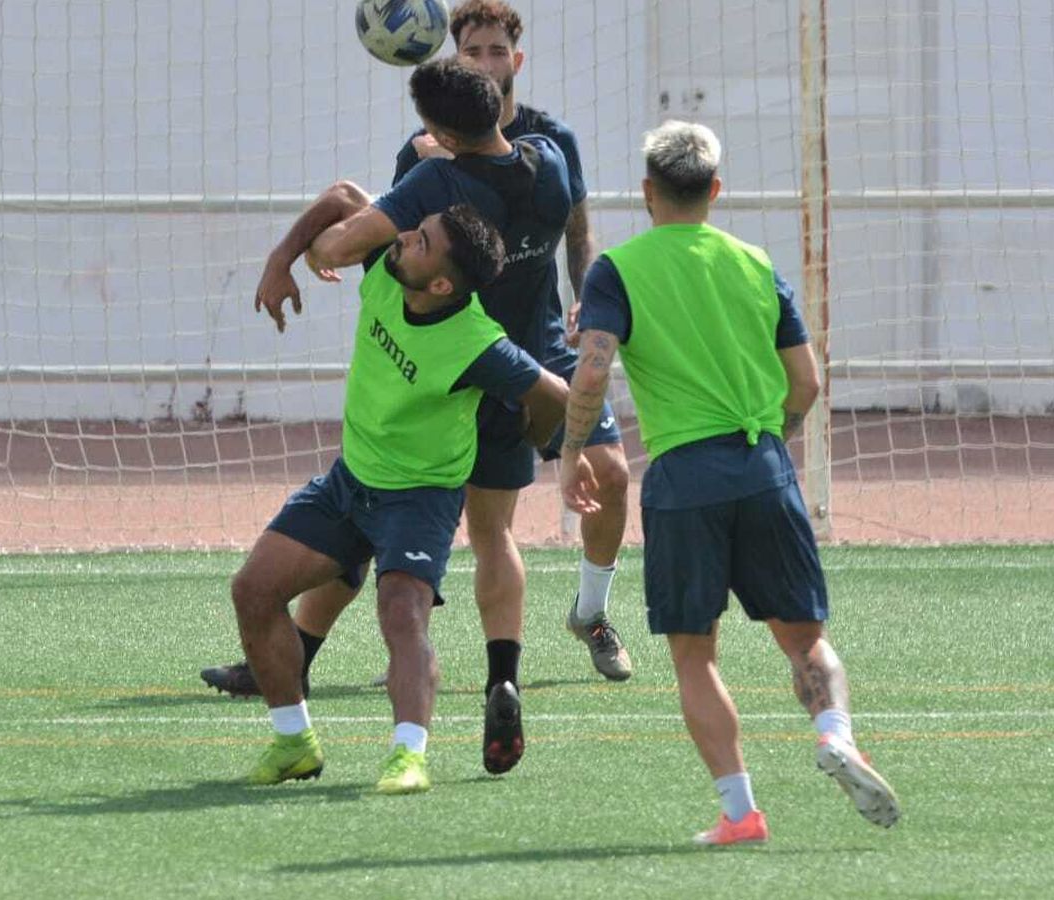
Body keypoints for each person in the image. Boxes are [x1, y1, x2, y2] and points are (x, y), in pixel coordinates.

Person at [203, 2, 633, 706]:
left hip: (527, 348)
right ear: (463, 61)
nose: (488, 63)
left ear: (513, 63)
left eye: (498, 51)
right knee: (445, 518)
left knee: (594, 480)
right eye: (475, 53)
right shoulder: (538, 161)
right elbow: (396, 226)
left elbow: (348, 232)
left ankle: (589, 611)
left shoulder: (488, 161)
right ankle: (469, 671)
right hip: (456, 359)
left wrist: (297, 252)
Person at [559, 120, 900, 844]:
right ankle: (835, 732)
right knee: (805, 639)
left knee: (694, 653)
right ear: (715, 190)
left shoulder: (618, 270)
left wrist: (570, 453)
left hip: (685, 478)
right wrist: (770, 445)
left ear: (648, 192)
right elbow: (805, 381)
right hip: (765, 468)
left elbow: (591, 370)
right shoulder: (755, 263)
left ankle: (741, 811)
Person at [238, 197, 577, 794]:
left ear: (442, 283)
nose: (402, 240)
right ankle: (294, 741)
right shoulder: (384, 269)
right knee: (253, 590)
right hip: (351, 480)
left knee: (401, 612)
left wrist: (538, 438)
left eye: (419, 241)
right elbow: (344, 196)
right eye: (415, 230)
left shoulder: (477, 343)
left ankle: (408, 756)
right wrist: (279, 259)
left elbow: (553, 395)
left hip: (420, 499)